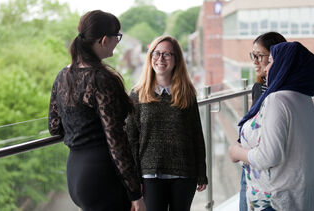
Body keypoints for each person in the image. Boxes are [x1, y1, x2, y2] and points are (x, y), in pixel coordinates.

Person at [48, 10, 145, 211]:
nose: (118, 41)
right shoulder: (101, 79)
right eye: (117, 36)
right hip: (102, 175)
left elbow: (54, 127)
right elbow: (116, 141)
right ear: (103, 40)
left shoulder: (62, 76)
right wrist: (135, 194)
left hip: (75, 175)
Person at [229, 41, 314, 211]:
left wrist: (237, 152)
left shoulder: (277, 100)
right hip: (298, 198)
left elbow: (268, 156)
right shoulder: (305, 101)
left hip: (274, 202)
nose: (265, 69)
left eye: (270, 61)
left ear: (285, 65)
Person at [125, 35, 208, 211]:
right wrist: (134, 179)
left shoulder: (187, 93)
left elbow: (196, 134)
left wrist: (202, 171)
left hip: (184, 173)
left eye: (167, 54)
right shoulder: (137, 94)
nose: (161, 59)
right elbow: (131, 139)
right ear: (150, 57)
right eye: (156, 53)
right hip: (150, 174)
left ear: (176, 59)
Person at [240, 32, 286, 211]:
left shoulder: (283, 95)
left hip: (270, 176)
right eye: (253, 55)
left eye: (260, 56)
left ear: (276, 57)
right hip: (250, 168)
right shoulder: (258, 88)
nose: (255, 61)